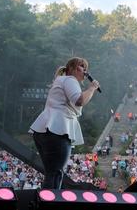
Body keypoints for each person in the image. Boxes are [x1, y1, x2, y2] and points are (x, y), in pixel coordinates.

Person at [29, 57, 100, 189]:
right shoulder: (70, 80)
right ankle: (50, 202)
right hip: (58, 128)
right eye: (82, 66)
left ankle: (46, 200)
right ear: (71, 68)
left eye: (86, 68)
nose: (85, 70)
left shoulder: (61, 80)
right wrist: (92, 88)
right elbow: (79, 101)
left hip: (45, 129)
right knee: (55, 173)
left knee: (52, 173)